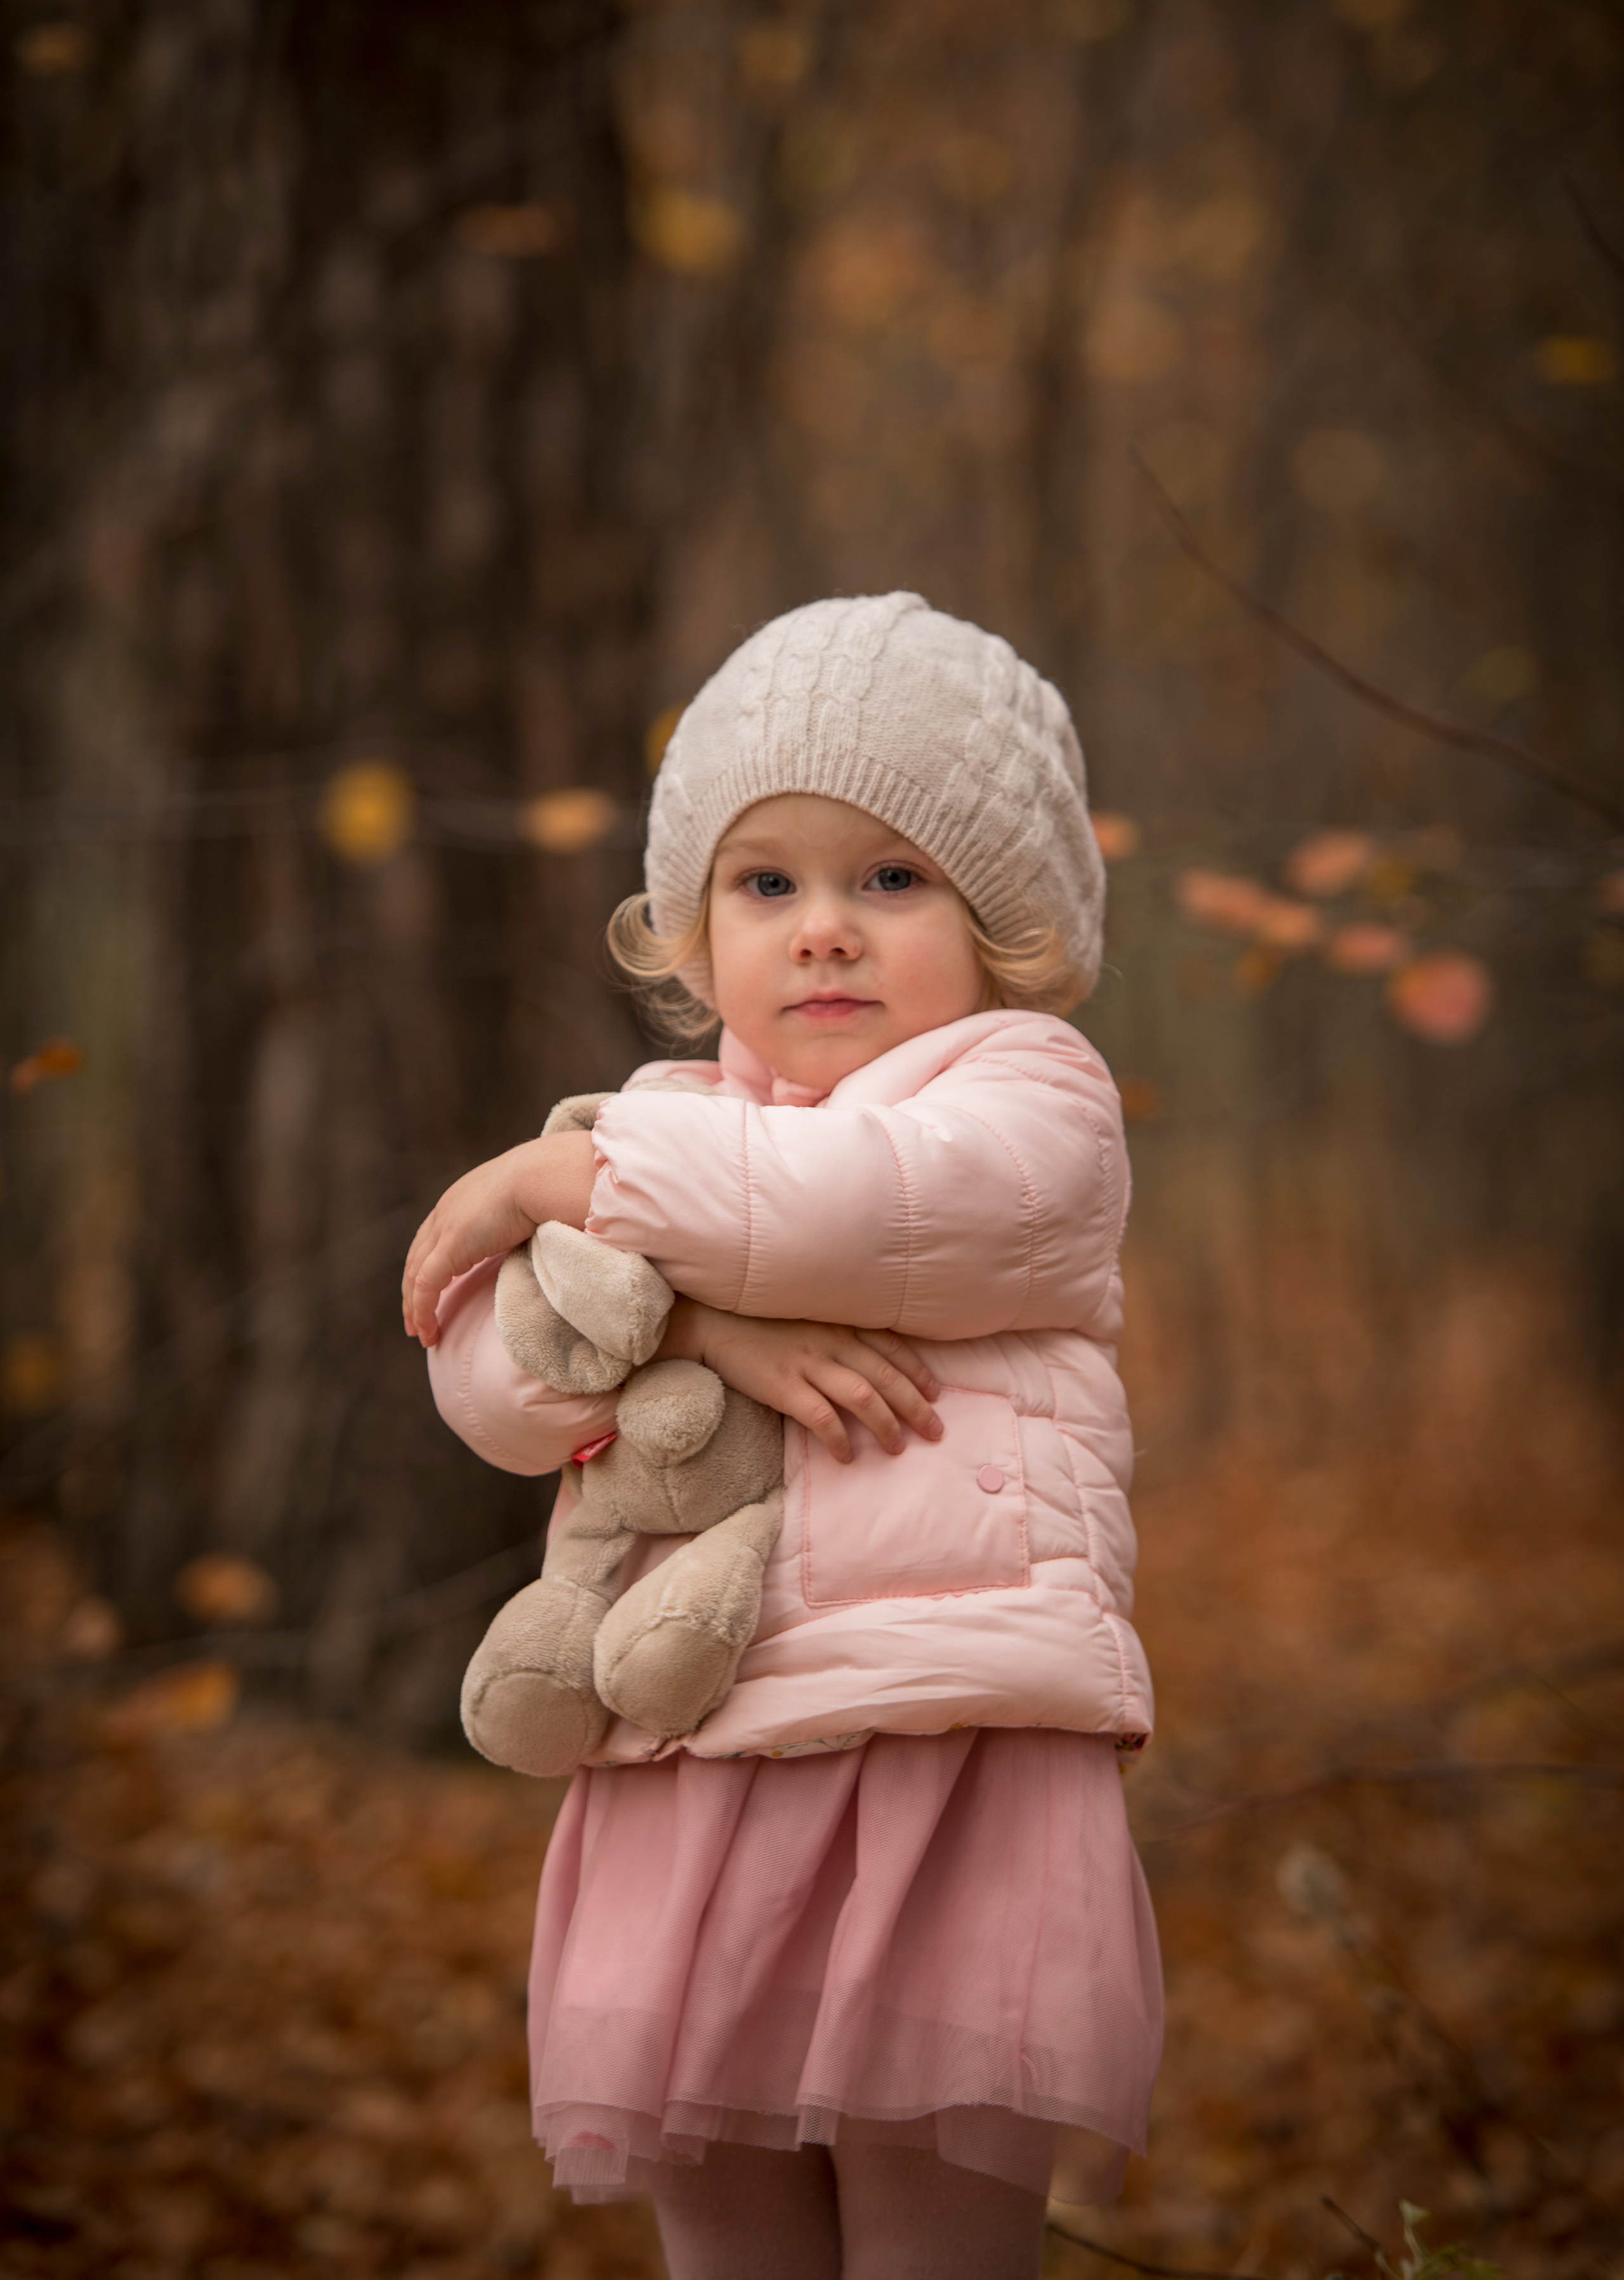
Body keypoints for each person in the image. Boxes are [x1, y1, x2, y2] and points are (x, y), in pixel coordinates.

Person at [403, 592, 1162, 2280]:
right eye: (769, 884)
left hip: (946, 1749)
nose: (824, 929)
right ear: (696, 931)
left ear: (1004, 921)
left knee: (930, 2245)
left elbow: (850, 1209)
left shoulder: (1034, 1104)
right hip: (698, 1764)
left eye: (890, 880)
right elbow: (501, 1385)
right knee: (730, 2245)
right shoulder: (675, 1126)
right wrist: (702, 1324)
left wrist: (562, 1186)